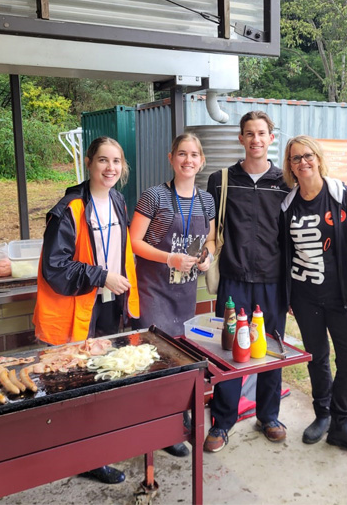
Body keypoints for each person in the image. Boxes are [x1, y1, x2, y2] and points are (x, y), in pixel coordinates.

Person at [34, 136, 140, 485]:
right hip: (75, 308)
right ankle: (81, 457)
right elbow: (55, 268)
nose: (110, 168)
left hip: (107, 305)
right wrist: (102, 276)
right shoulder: (69, 209)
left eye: (116, 161)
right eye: (103, 161)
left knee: (100, 377)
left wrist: (116, 285)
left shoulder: (119, 201)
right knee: (73, 382)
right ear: (90, 164)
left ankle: (94, 448)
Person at [279, 136, 347, 454]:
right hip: (306, 298)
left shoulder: (341, 195)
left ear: (318, 158)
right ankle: (322, 414)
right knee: (317, 358)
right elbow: (285, 252)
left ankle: (341, 424)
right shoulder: (287, 204)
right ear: (289, 165)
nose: (302, 162)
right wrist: (290, 295)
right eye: (295, 158)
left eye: (307, 156)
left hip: (343, 296)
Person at [204, 110, 289, 452]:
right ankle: (222, 422)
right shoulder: (221, 179)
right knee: (229, 351)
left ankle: (268, 416)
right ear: (240, 139)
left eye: (262, 133)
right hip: (234, 278)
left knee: (270, 349)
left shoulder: (286, 181)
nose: (255, 139)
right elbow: (211, 230)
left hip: (273, 279)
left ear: (271, 138)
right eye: (249, 133)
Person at [130, 133, 216, 457]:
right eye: (182, 154)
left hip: (185, 292)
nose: (188, 160)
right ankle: (158, 428)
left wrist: (207, 257)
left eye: (194, 154)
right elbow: (134, 242)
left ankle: (178, 419)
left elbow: (209, 240)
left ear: (202, 161)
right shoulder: (154, 196)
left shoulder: (206, 201)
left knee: (182, 359)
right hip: (153, 289)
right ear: (171, 158)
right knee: (156, 360)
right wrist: (169, 258)